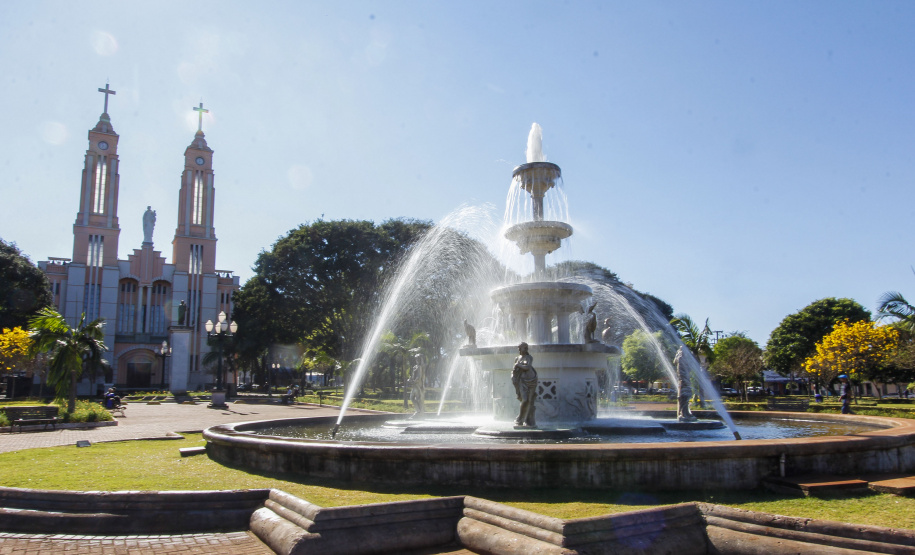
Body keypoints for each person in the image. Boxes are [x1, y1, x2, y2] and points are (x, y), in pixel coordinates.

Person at [511, 342, 537, 427]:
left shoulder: (529, 357)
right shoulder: (517, 358)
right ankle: (520, 418)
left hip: (532, 381)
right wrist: (513, 377)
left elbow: (527, 367)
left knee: (530, 400)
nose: (519, 349)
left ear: (525, 348)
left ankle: (528, 420)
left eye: (520, 348)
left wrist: (518, 365)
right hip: (522, 381)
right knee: (524, 400)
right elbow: (513, 370)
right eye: (518, 348)